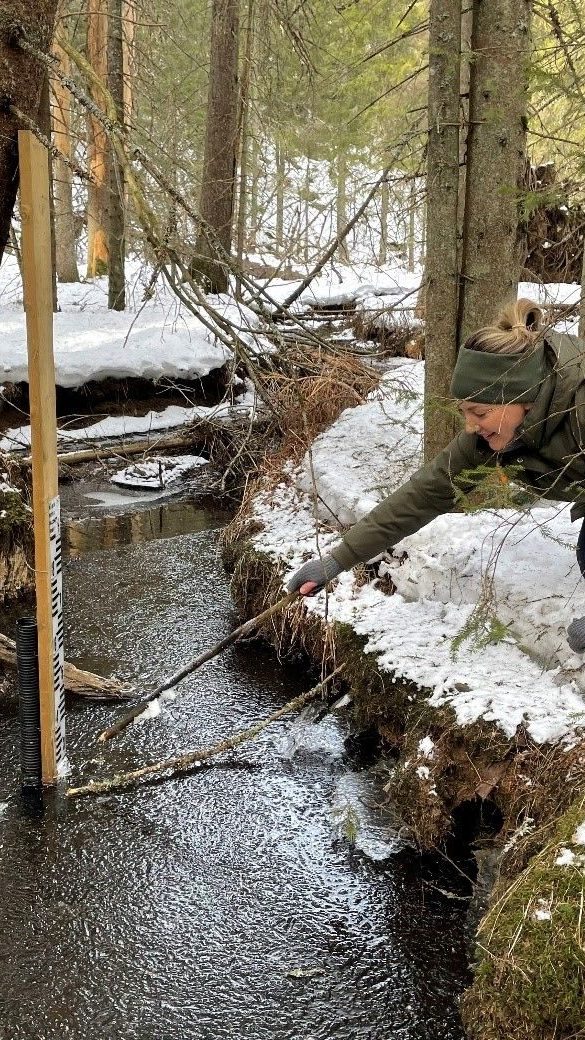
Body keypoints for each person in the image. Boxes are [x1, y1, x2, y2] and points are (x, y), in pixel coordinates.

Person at [287, 298, 585, 651]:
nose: (471, 427)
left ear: (523, 399)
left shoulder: (579, 408)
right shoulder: (494, 434)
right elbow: (426, 493)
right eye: (465, 413)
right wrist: (337, 560)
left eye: (480, 413)